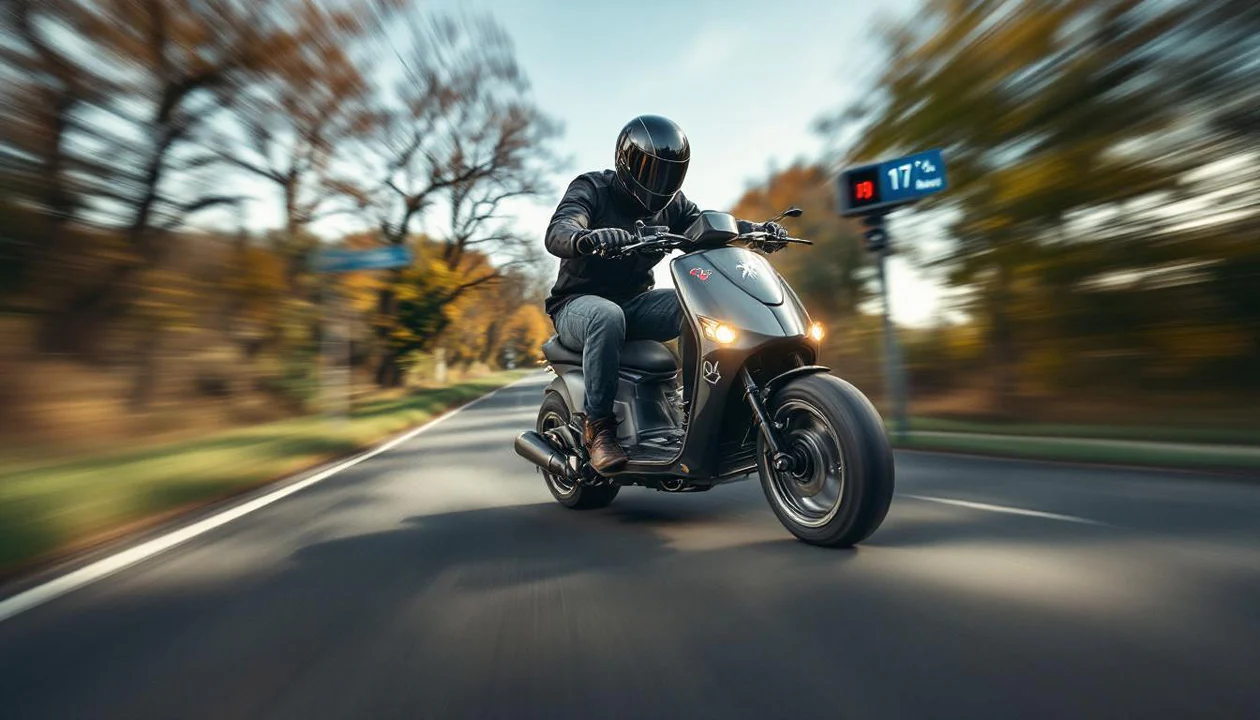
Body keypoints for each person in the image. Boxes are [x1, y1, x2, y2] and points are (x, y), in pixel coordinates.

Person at [544, 114, 789, 473]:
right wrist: (586, 238)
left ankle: (697, 409)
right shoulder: (592, 188)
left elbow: (705, 226)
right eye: (650, 170)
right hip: (578, 305)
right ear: (626, 162)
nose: (659, 182)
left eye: (668, 174)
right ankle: (598, 429)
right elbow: (560, 228)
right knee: (606, 316)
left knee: (702, 305)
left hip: (636, 304)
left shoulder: (671, 206)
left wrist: (756, 231)